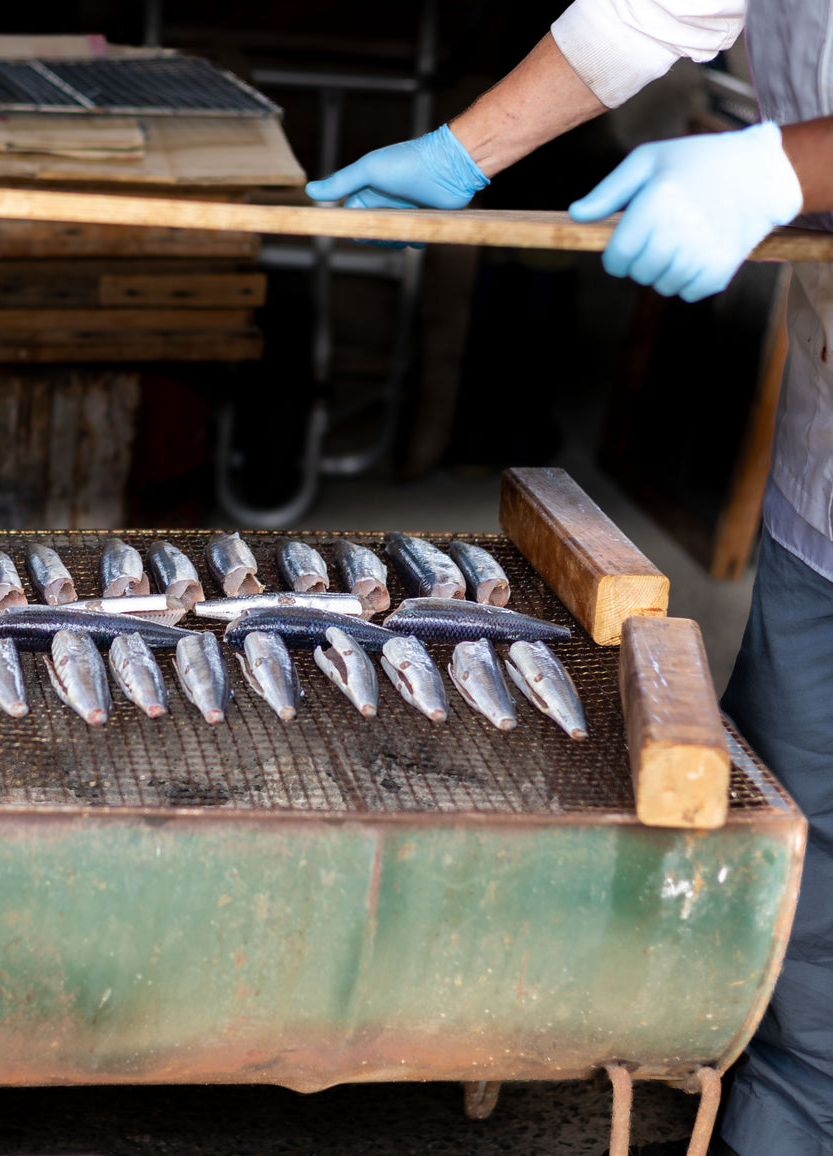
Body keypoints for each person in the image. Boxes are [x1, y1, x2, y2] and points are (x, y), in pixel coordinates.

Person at [306, 3, 832, 1153]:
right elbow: (655, 4)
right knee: (798, 860)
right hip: (824, 481)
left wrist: (778, 164)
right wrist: (463, 154)